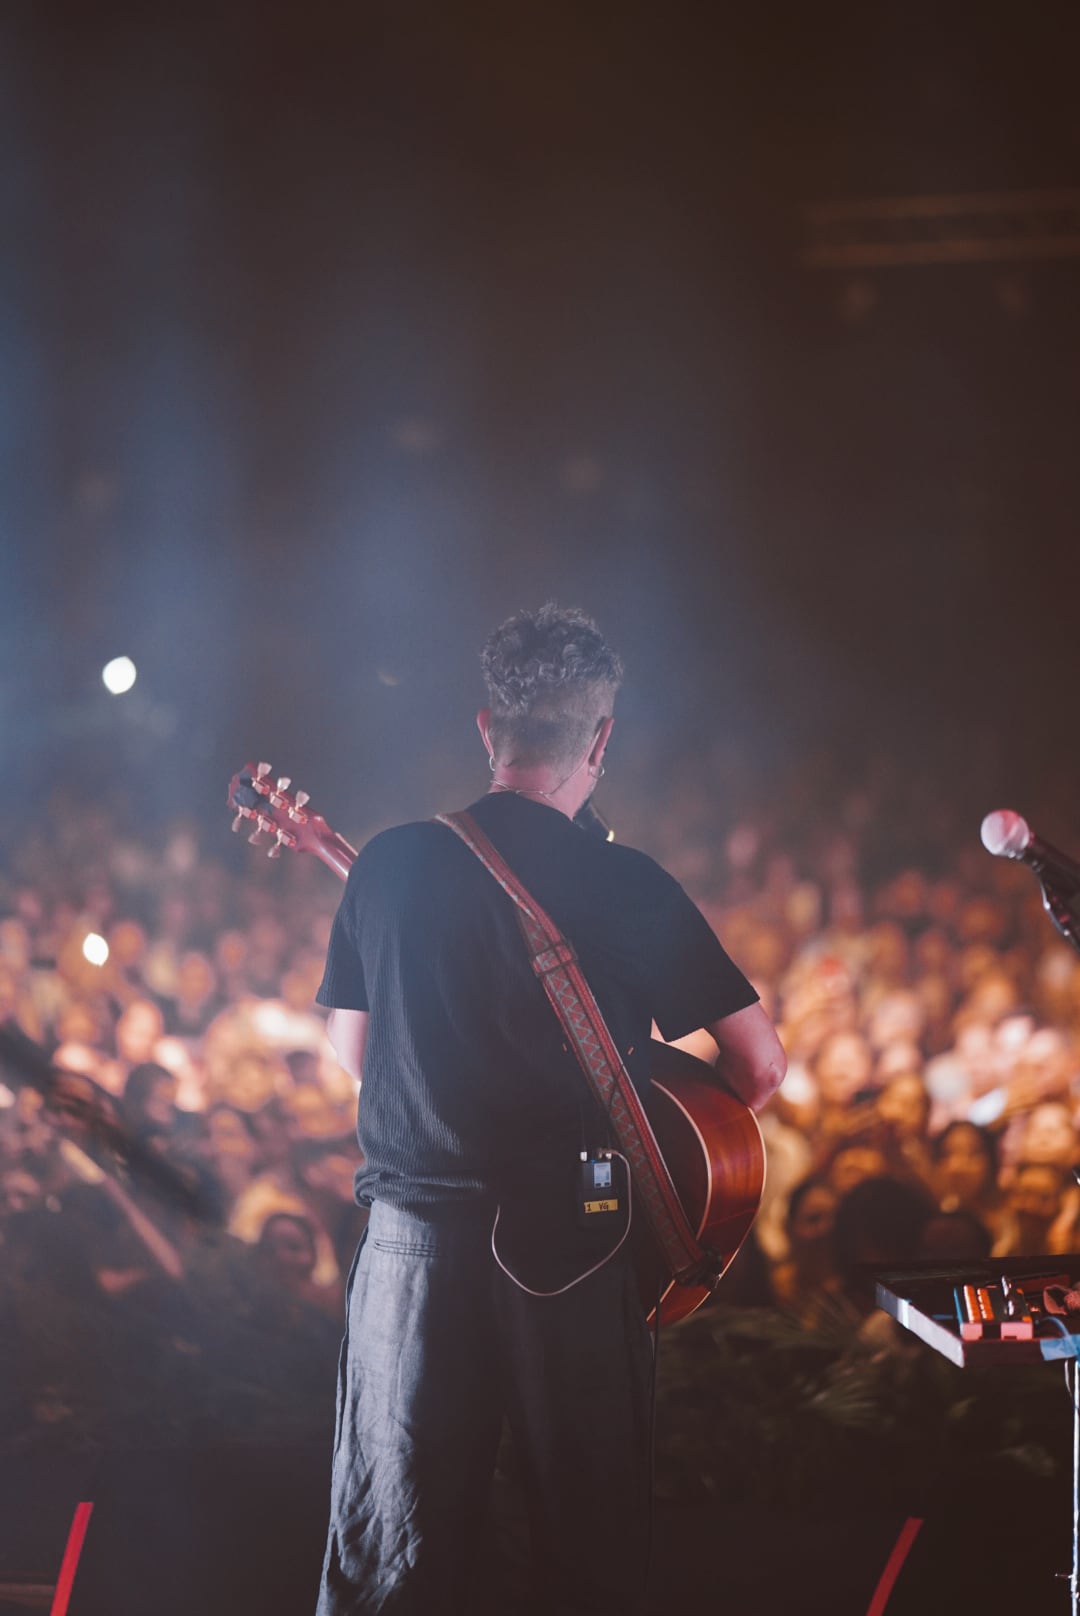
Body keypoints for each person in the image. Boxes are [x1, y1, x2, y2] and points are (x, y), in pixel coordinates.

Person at [313, 604, 786, 1616]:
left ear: (488, 728)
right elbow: (759, 1065)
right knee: (585, 1554)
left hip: (412, 1245)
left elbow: (353, 1053)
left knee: (393, 1557)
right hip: (577, 1235)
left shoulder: (390, 860)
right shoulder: (628, 882)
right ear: (602, 738)